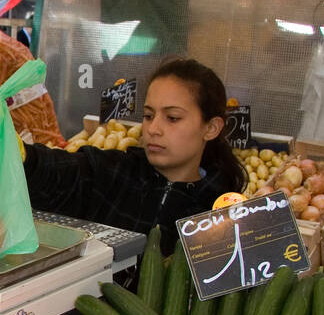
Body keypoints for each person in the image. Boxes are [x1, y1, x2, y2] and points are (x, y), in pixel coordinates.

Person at [20, 57, 246, 254]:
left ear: (211, 128)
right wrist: (24, 156)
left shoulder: (222, 211)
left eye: (173, 118)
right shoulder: (114, 172)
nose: (153, 129)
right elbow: (60, 171)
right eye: (148, 115)